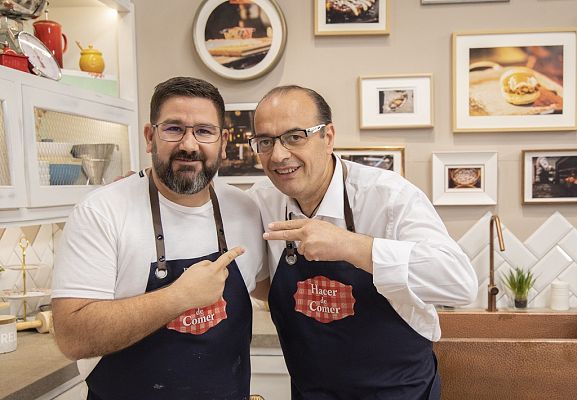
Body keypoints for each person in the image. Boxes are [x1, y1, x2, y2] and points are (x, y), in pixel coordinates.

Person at [247, 85, 478, 400]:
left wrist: (351, 246)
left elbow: (459, 283)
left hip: (398, 393)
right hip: (312, 392)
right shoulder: (259, 204)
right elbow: (258, 282)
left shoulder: (389, 197)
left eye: (295, 136)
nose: (278, 155)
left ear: (328, 137)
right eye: (265, 141)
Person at [51, 77, 268, 400]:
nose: (189, 145)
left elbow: (269, 288)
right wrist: (177, 297)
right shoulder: (101, 213)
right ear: (150, 137)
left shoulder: (245, 209)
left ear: (222, 141)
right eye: (173, 129)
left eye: (204, 131)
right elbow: (73, 337)